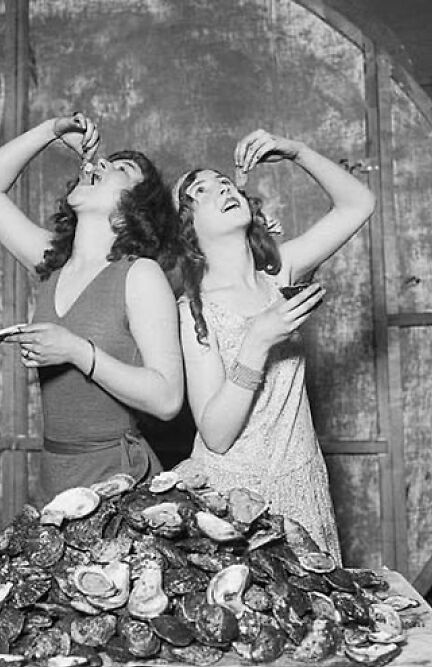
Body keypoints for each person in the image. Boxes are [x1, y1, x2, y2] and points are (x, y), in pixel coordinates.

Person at [171, 129, 375, 563]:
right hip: (234, 498)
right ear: (189, 230)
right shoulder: (194, 310)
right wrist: (257, 342)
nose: (221, 187)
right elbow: (216, 434)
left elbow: (359, 204)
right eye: (200, 191)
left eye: (224, 181)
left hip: (301, 482)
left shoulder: (280, 275)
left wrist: (296, 151)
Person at [0, 112, 183, 500]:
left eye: (122, 168)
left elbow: (167, 400)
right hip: (56, 472)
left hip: (118, 479)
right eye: (102, 160)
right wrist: (51, 131)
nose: (98, 164)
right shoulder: (52, 263)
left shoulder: (140, 274)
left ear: (138, 205)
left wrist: (75, 350)